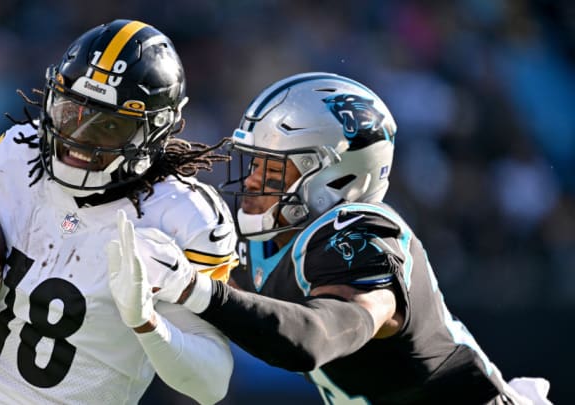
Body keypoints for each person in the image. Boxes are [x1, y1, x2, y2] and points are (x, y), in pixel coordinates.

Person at [109, 72, 553, 404]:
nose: (251, 183)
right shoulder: (268, 241)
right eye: (255, 163)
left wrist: (193, 287)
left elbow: (314, 338)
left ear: (335, 178)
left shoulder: (364, 237)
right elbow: (236, 304)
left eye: (274, 169)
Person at [0, 19, 239, 405]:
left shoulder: (181, 215)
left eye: (108, 125)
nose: (78, 137)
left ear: (155, 131)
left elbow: (211, 386)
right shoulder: (18, 156)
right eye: (71, 111)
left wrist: (149, 323)